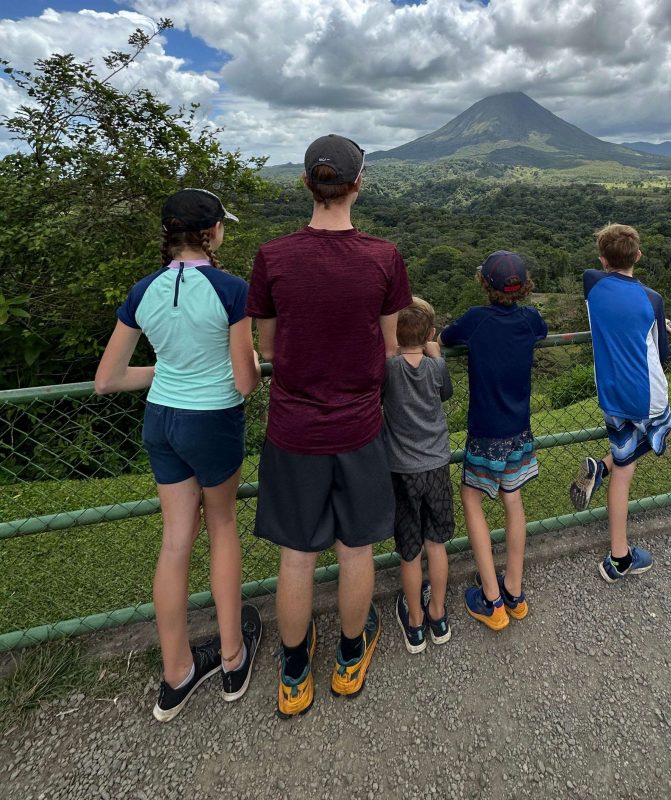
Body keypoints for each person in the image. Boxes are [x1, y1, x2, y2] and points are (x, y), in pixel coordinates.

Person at [248, 135, 412, 716]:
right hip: (361, 426)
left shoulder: (272, 256)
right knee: (356, 550)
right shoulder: (383, 258)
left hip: (293, 427)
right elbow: (393, 344)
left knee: (296, 555)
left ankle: (295, 674)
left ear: (306, 185)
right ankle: (349, 657)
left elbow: (268, 345)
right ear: (358, 184)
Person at [95, 188, 262, 722]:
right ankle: (233, 659)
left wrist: (169, 372)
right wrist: (252, 362)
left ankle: (177, 674)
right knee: (222, 527)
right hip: (211, 420)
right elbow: (244, 381)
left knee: (174, 544)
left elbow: (108, 380)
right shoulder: (231, 289)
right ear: (213, 233)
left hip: (161, 420)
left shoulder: (143, 290)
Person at [440, 251, 547, 631]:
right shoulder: (530, 318)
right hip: (519, 430)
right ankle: (514, 592)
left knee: (471, 498)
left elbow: (445, 336)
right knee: (512, 500)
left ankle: (491, 598)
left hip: (485, 431)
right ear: (525, 286)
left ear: (484, 283)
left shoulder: (476, 320)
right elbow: (542, 331)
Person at [569, 222, 671, 581]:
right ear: (639, 257)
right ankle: (619, 558)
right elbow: (664, 355)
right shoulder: (652, 299)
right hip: (648, 396)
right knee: (654, 437)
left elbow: (600, 271)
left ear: (602, 258)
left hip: (611, 395)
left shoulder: (592, 284)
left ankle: (604, 467)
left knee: (626, 453)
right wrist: (657, 319)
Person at [382, 297, 455, 653]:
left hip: (401, 469)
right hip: (437, 465)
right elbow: (446, 393)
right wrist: (436, 352)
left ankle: (414, 622)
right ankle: (438, 614)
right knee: (436, 543)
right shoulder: (435, 367)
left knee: (409, 550)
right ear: (429, 334)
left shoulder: (389, 369)